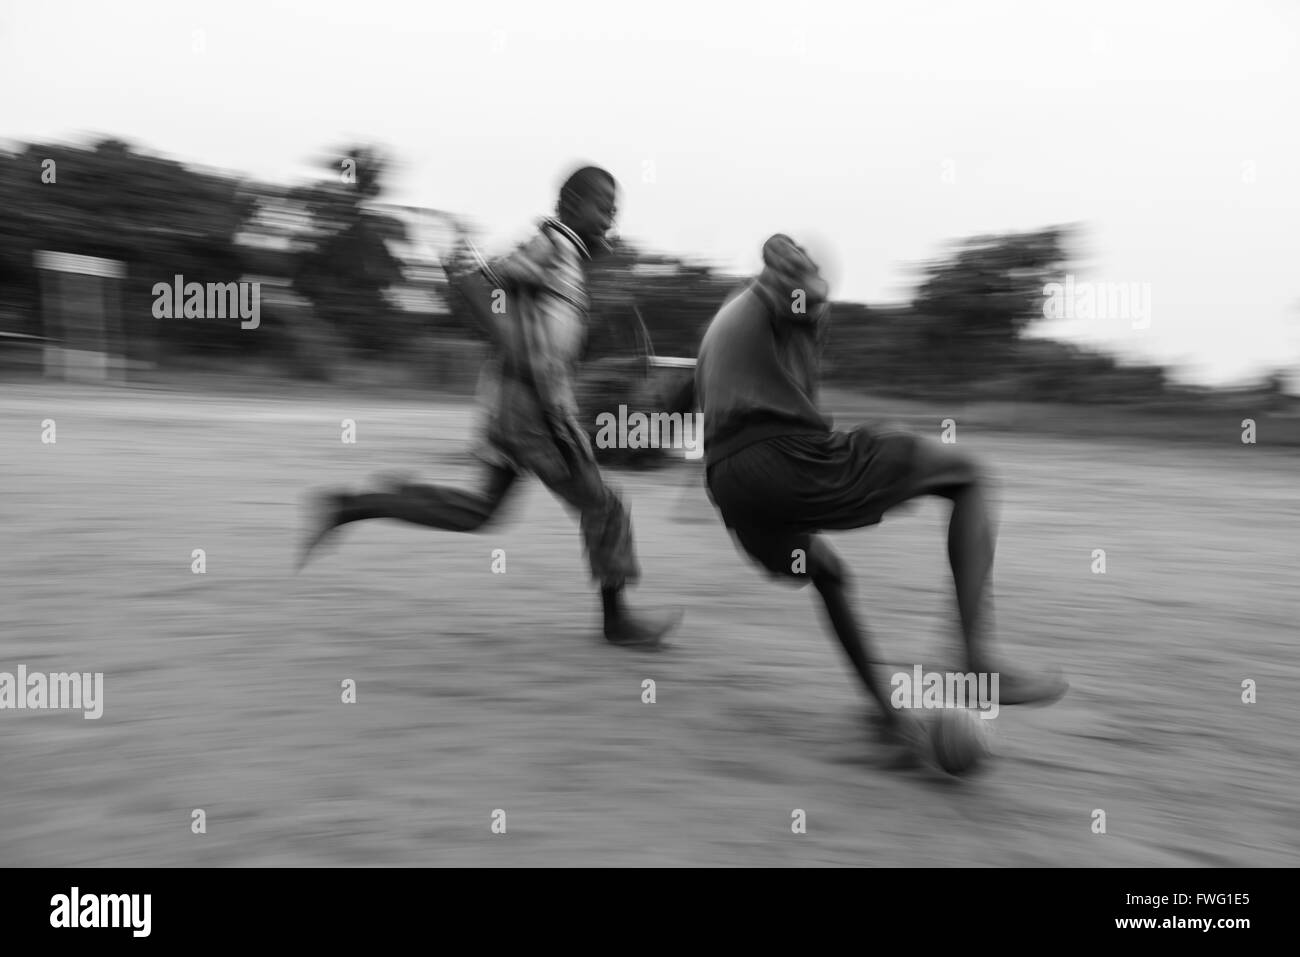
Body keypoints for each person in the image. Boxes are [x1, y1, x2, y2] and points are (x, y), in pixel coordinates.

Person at [694, 234, 1068, 759]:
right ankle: (976, 659)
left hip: (730, 484)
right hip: (784, 460)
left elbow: (690, 401)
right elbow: (796, 290)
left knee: (828, 572)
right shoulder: (779, 302)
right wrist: (793, 265)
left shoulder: (725, 324)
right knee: (971, 476)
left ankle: (889, 717)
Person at [298, 165, 681, 648]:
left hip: (518, 407)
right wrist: (514, 348)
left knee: (481, 511)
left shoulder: (569, 258)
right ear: (568, 205)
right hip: (534, 412)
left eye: (615, 208)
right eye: (602, 204)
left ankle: (356, 505)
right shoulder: (551, 244)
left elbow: (537, 315)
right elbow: (478, 284)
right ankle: (616, 622)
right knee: (604, 506)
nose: (610, 215)